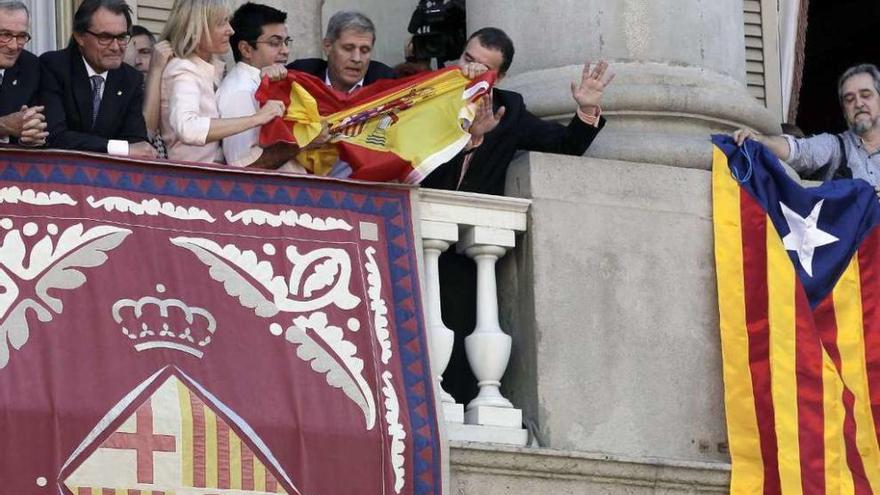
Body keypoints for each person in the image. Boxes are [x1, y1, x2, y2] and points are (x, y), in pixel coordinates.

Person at [421, 27, 615, 196]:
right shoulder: (430, 95)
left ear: (498, 78)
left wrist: (587, 106)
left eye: (484, 68)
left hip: (478, 226)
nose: (470, 69)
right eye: (467, 59)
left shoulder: (510, 111)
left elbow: (566, 145)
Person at [158, 0, 283, 163]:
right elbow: (187, 128)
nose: (230, 31)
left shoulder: (210, 67)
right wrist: (257, 118)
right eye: (221, 23)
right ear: (197, 29)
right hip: (192, 179)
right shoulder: (183, 70)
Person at [734, 64, 880, 187]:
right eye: (849, 99)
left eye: (866, 95)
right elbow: (799, 151)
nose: (858, 104)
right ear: (844, 111)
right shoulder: (835, 147)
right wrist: (760, 140)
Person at [39, 0, 154, 157]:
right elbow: (55, 135)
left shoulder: (130, 79)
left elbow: (136, 141)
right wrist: (118, 148)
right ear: (80, 36)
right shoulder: (54, 67)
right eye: (105, 37)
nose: (115, 47)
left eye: (121, 37)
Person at [217, 2, 306, 170]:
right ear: (246, 49)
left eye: (286, 42)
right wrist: (305, 142)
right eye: (275, 43)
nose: (285, 51)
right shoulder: (241, 90)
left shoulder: (266, 81)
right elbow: (242, 167)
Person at [287, 10, 395, 95]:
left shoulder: (387, 82)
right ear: (328, 46)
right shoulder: (302, 75)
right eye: (348, 48)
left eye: (364, 50)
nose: (356, 59)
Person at [0, 0, 46, 147]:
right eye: (5, 35)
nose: (14, 46)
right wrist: (4, 126)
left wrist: (30, 136)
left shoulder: (30, 66)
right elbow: (9, 125)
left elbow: (39, 128)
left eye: (21, 36)